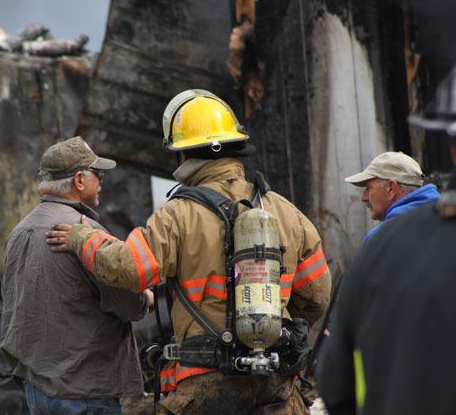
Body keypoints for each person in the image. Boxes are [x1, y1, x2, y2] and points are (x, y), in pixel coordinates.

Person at [46, 90, 331, 414]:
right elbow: (317, 295)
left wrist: (82, 239)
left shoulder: (177, 215)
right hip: (275, 381)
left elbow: (130, 269)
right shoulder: (284, 211)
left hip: (205, 383)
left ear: (183, 156)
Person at [317, 66, 456, 415]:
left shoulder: (381, 244)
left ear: (392, 188)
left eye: (369, 188)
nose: (363, 199)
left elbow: (336, 381)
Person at [0, 136, 152, 415]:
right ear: (80, 180)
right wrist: (146, 299)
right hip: (86, 392)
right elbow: (128, 306)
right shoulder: (85, 231)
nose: (102, 181)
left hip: (38, 390)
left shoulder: (19, 232)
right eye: (98, 174)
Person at [344, 151, 440, 243]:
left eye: (369, 188)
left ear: (391, 189)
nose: (364, 197)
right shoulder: (447, 221)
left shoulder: (380, 239)